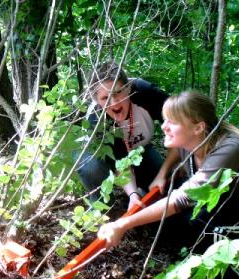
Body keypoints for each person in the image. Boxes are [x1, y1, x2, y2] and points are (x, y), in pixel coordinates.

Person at [98, 90, 239, 251]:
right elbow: (176, 150)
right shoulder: (188, 139)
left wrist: (122, 224)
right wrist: (162, 174)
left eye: (171, 122)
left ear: (198, 127)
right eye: (164, 120)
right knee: (171, 225)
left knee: (210, 234)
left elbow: (182, 199)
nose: (163, 127)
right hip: (229, 200)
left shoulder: (230, 148)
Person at [77, 61, 179, 210]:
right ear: (97, 101)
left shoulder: (145, 93)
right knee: (92, 167)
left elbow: (181, 125)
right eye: (105, 98)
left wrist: (164, 172)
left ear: (128, 88)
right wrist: (132, 195)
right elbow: (120, 160)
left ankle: (144, 190)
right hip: (99, 155)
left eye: (118, 92)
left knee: (164, 184)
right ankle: (102, 207)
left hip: (139, 149)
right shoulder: (96, 118)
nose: (114, 103)